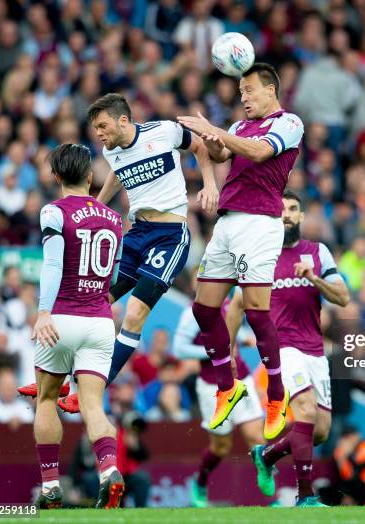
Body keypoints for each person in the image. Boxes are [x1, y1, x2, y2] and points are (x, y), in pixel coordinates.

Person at [19, 93, 218, 413]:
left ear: (122, 120)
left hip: (170, 236)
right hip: (137, 234)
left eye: (102, 125)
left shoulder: (163, 132)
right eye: (95, 128)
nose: (98, 133)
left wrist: (209, 184)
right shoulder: (112, 150)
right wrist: (95, 205)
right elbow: (117, 171)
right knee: (96, 300)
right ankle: (60, 377)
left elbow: (198, 146)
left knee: (135, 314)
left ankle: (88, 392)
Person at [177, 63, 304, 441]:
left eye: (249, 90)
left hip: (261, 222)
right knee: (203, 307)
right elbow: (223, 157)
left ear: (270, 90)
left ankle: (277, 397)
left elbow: (260, 153)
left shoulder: (289, 122)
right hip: (229, 222)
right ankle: (227, 387)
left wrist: (218, 133)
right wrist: (213, 141)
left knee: (255, 308)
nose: (243, 97)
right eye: (240, 91)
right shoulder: (236, 127)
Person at [236, 190, 350, 507]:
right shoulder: (260, 254)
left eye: (293, 209)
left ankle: (267, 455)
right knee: (306, 412)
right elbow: (235, 303)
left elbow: (343, 298)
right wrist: (230, 349)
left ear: (301, 217)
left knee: (321, 430)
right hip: (281, 348)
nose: (286, 214)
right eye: (280, 209)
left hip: (314, 349)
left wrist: (314, 278)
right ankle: (306, 496)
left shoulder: (318, 252)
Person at [32, 144, 124, 509]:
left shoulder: (53, 211)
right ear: (90, 176)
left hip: (61, 319)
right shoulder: (113, 218)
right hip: (100, 322)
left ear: (56, 177)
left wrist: (42, 313)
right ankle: (109, 471)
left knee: (47, 398)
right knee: (92, 405)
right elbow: (112, 273)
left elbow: (53, 265)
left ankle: (52, 486)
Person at [174, 289, 264, 508]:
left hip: (240, 378)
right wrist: (216, 351)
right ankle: (201, 482)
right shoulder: (193, 313)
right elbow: (179, 349)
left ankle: (272, 499)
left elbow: (233, 332)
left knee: (257, 439)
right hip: (211, 386)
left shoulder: (228, 303)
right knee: (221, 447)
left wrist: (245, 339)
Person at [327, 426, 365, 506]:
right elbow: (347, 476)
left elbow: (358, 466)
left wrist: (347, 454)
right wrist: (342, 457)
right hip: (360, 496)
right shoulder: (341, 452)